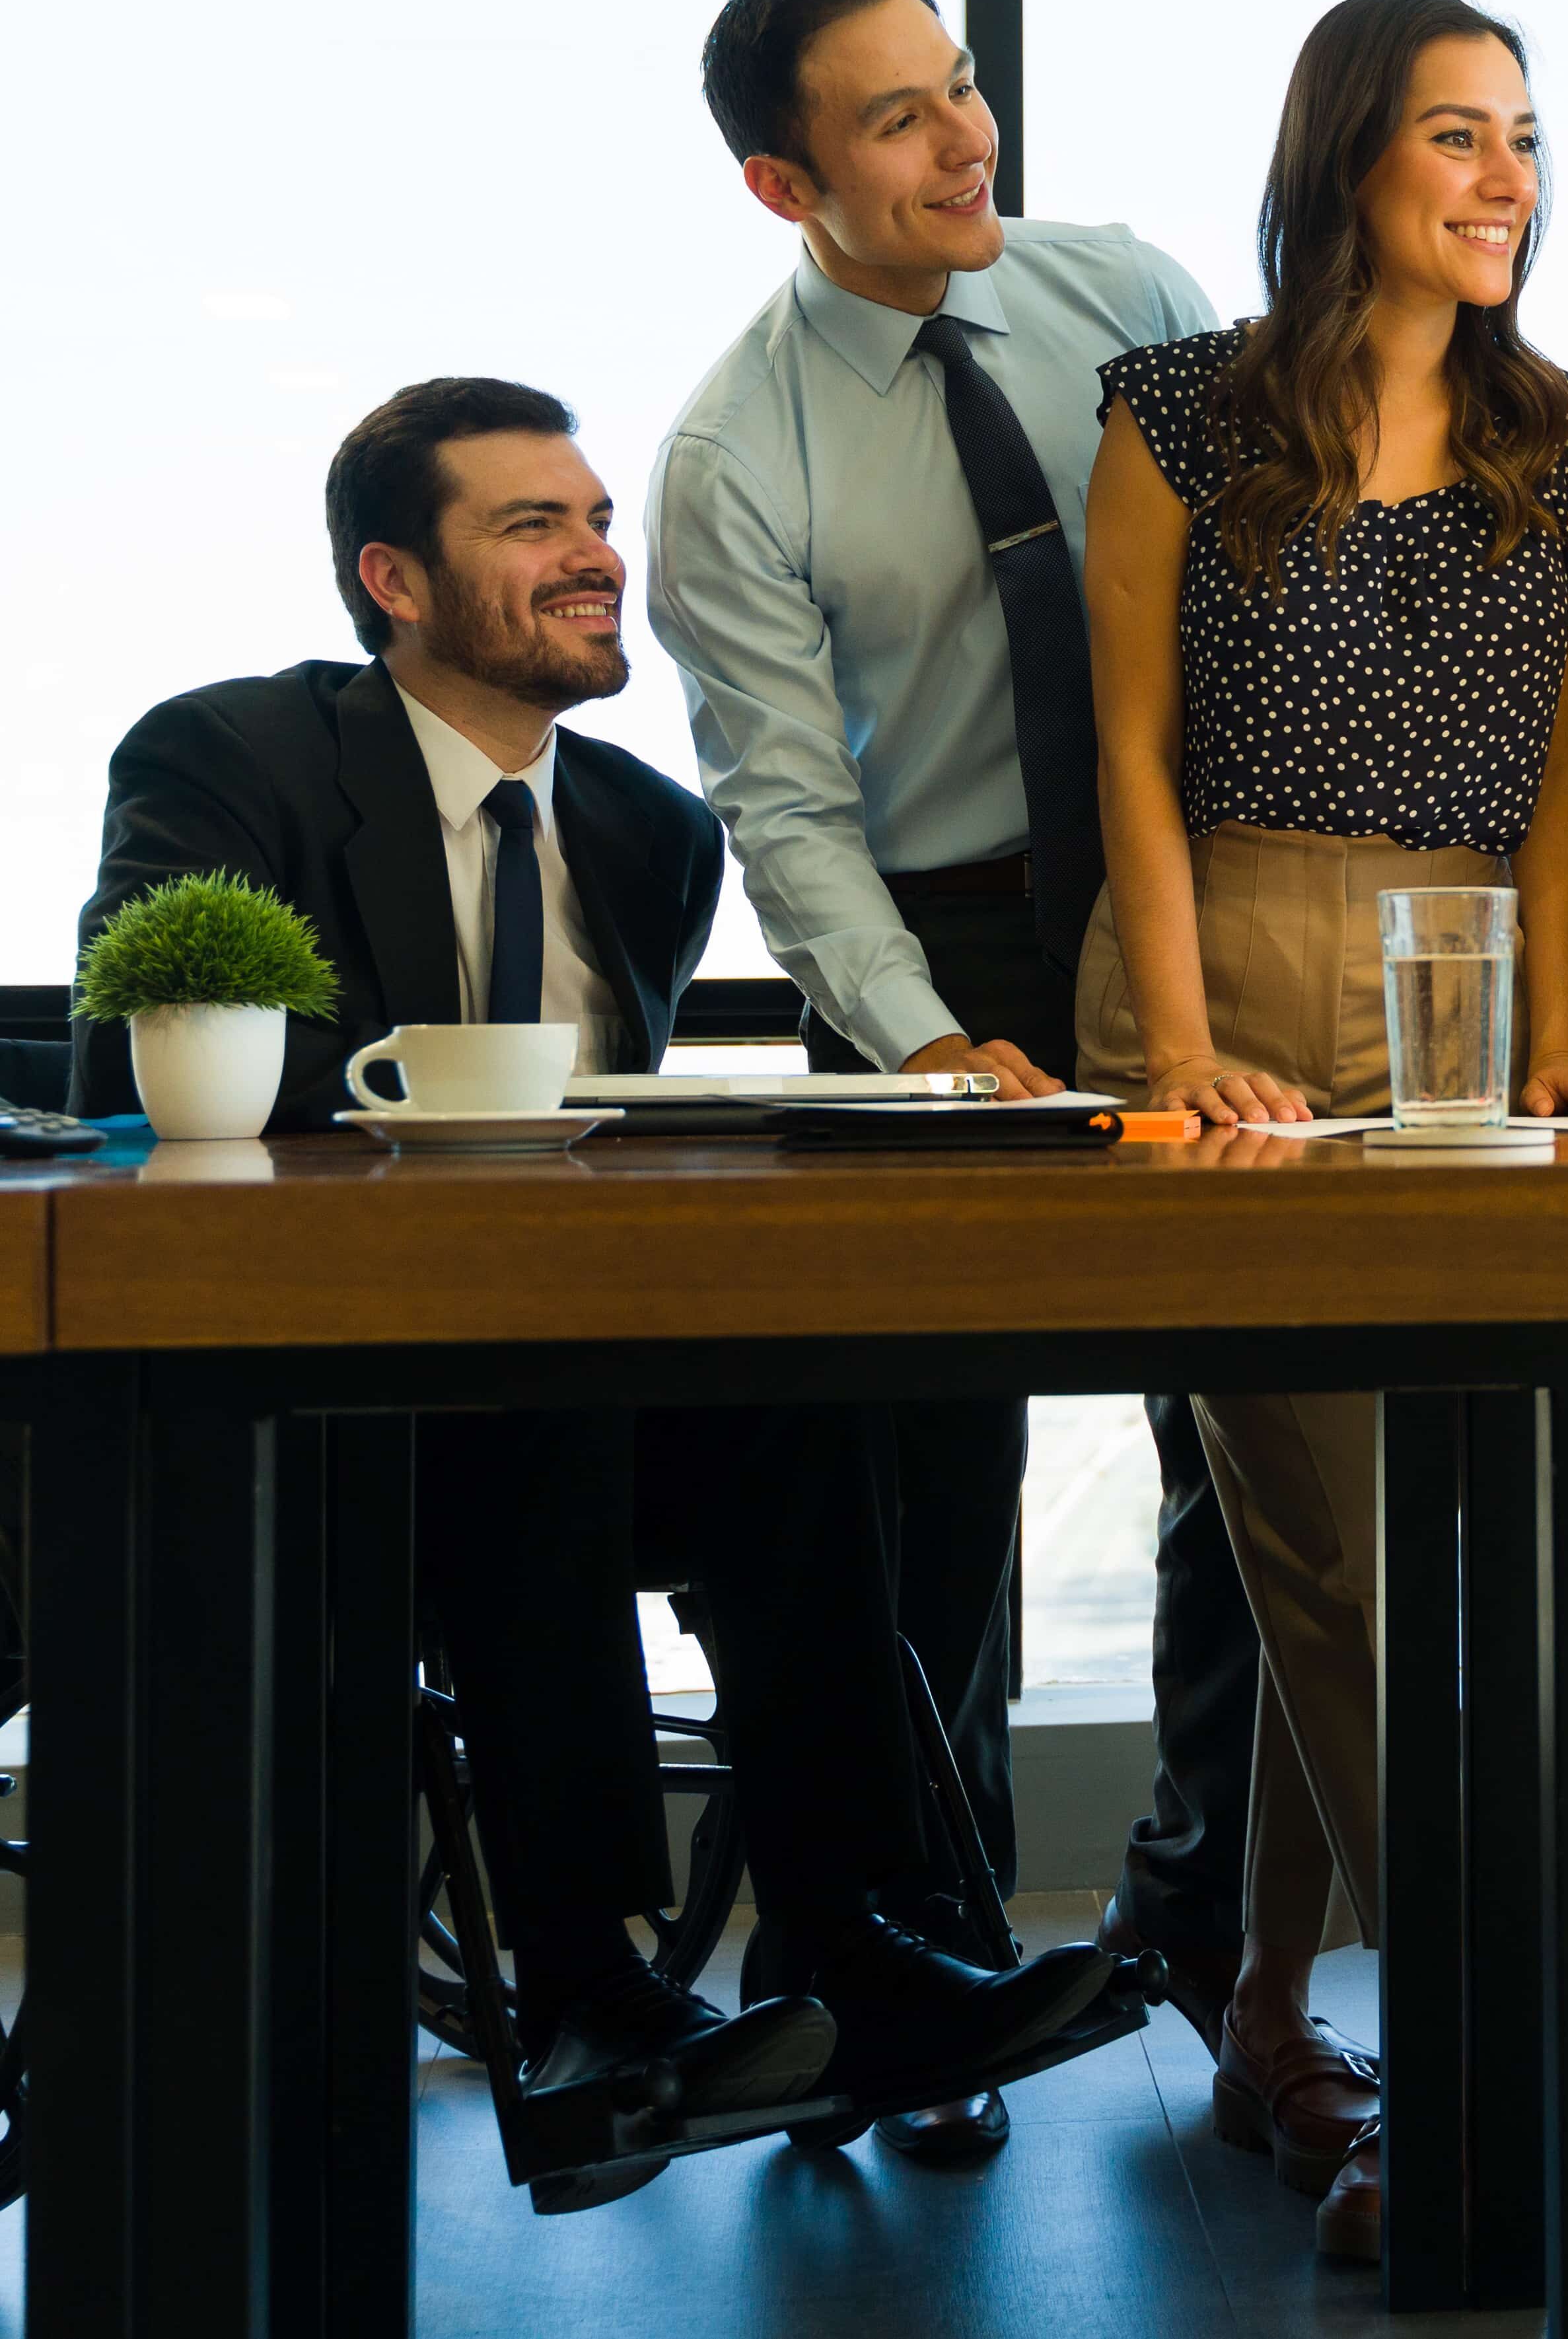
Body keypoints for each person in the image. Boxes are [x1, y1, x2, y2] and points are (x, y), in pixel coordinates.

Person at [71, 378, 1116, 2196]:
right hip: (303, 1426)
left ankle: (861, 1946)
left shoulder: (645, 827)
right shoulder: (231, 758)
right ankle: (582, 1986)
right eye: (532, 525)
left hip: (554, 1403)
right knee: (539, 1390)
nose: (595, 558)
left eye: (597, 519)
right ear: (393, 579)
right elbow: (156, 1065)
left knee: (813, 1393)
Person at [1077, 0, 1568, 2261]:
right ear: (1351, 163)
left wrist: (1553, 1029)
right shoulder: (1173, 411)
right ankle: (1462, 2050)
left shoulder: (1562, 437)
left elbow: (1562, 771)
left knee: (1423, 1529)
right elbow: (1127, 741)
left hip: (1462, 1005)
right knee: (1319, 1528)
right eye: (1457, 135)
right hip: (1223, 957)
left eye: (1524, 136)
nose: (1506, 176)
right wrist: (1166, 1042)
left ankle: (1266, 2008)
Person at [648, 0, 1265, 2112]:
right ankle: (944, 1971)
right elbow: (786, 805)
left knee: (1254, 1445)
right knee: (928, 1496)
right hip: (942, 959)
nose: (964, 139)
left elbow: (1265, 590)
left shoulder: (1131, 288)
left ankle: (1212, 1930)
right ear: (779, 179)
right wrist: (916, 1042)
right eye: (899, 121)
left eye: (966, 87)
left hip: (1191, 907)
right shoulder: (740, 448)